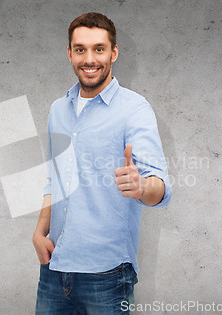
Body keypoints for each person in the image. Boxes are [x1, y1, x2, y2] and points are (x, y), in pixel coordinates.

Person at [32, 12, 172, 314]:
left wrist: (141, 186)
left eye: (99, 48)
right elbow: (53, 179)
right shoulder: (58, 110)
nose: (89, 59)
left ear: (114, 52)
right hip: (54, 267)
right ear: (70, 54)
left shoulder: (134, 109)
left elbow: (161, 188)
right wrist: (39, 232)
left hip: (107, 276)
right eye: (80, 49)